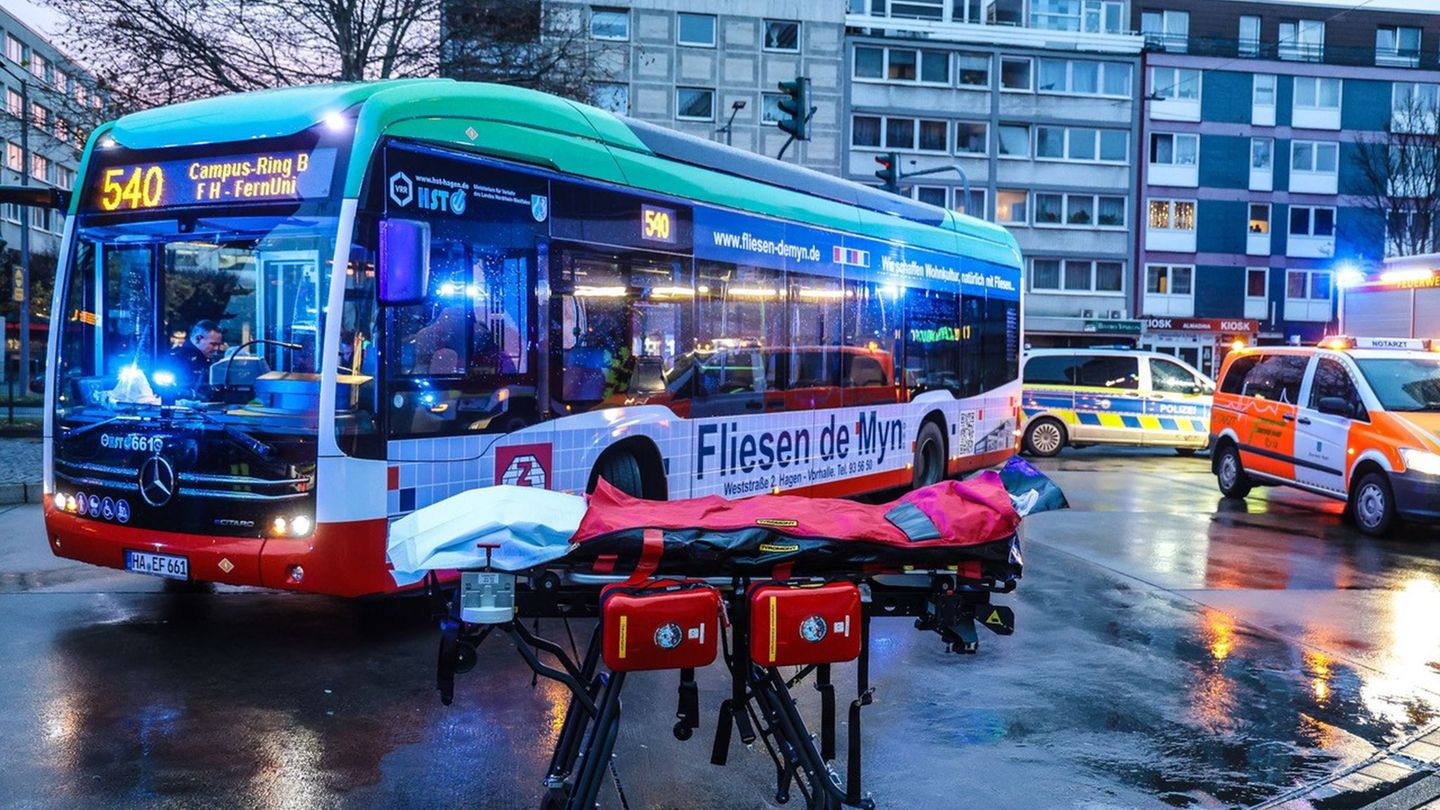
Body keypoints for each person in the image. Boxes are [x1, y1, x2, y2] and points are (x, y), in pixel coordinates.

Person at [165, 320, 224, 395]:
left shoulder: (211, 360)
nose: (217, 348)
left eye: (218, 345)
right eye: (213, 344)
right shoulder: (175, 359)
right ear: (198, 339)